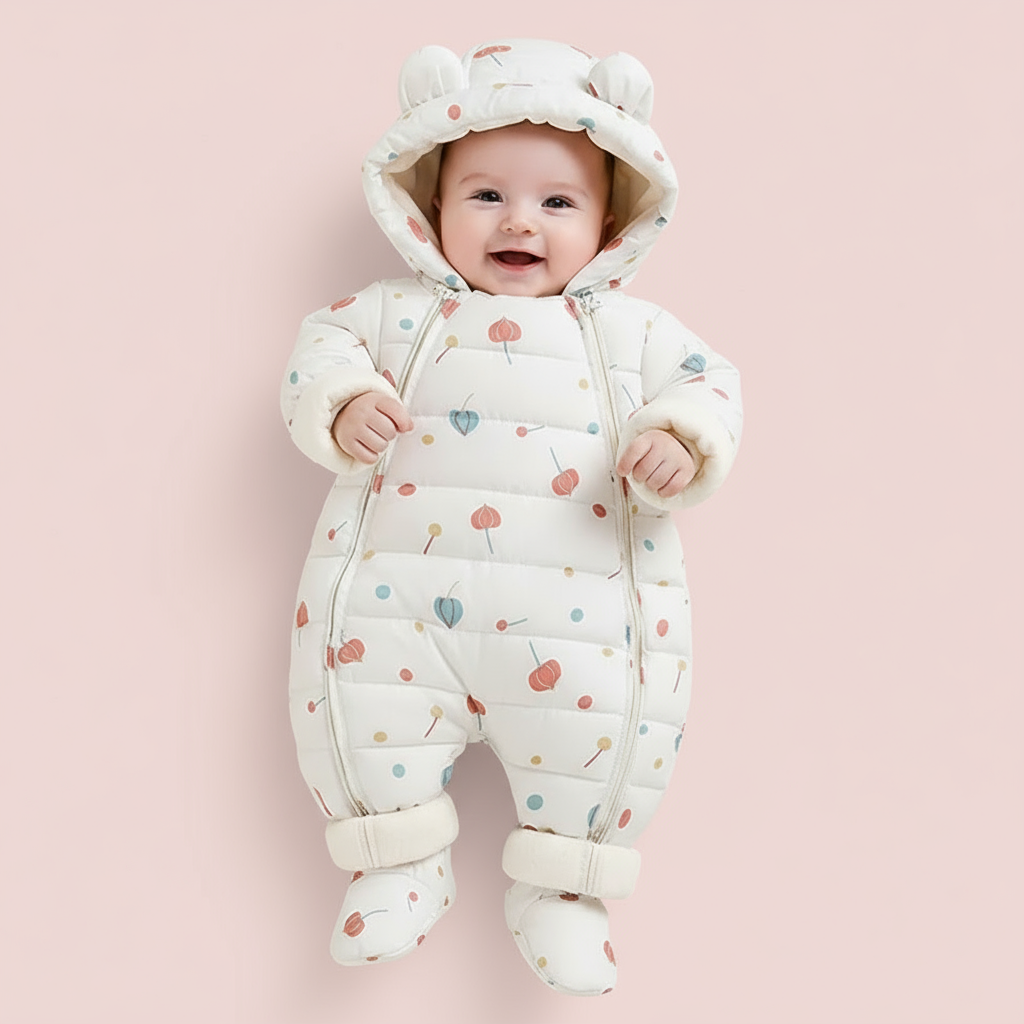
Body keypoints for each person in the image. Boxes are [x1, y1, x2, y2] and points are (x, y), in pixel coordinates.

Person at [282, 39, 742, 997]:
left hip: (583, 619)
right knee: (363, 711)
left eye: (557, 202)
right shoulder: (394, 315)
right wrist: (341, 400)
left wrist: (682, 438)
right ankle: (397, 861)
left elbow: (713, 388)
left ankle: (564, 890)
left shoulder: (635, 333)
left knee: (610, 732)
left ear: (611, 219)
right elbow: (318, 350)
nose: (518, 221)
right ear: (430, 210)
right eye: (484, 195)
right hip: (398, 605)